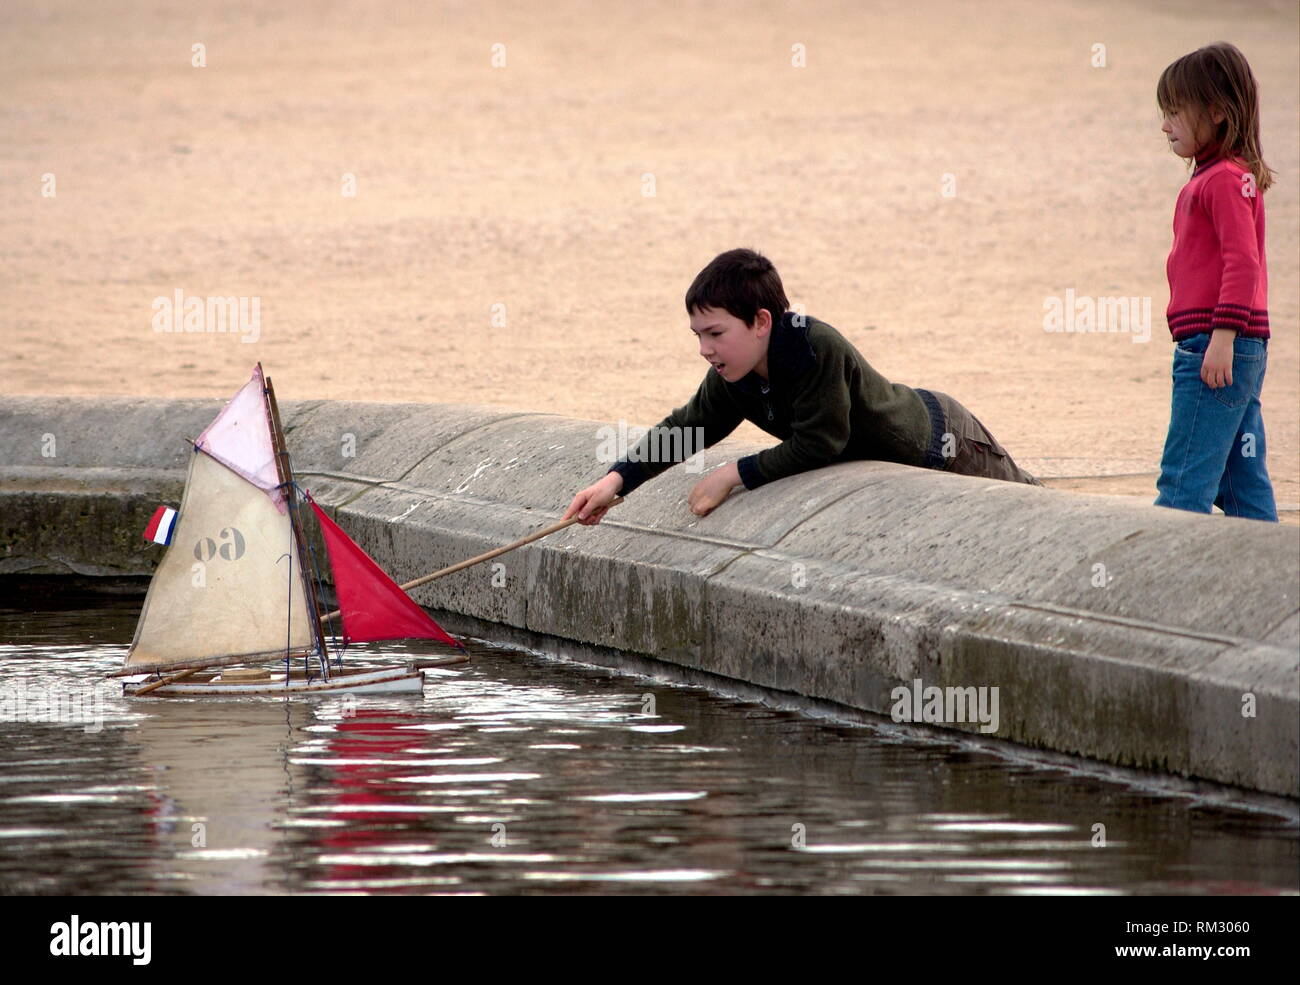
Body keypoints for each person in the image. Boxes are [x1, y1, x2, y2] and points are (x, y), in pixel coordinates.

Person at [563, 248, 1041, 525]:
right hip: (899, 457)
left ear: (760, 322)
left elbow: (821, 442)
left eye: (715, 334)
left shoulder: (815, 347)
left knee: (1032, 507)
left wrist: (733, 474)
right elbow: (687, 427)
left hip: (942, 440)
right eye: (698, 336)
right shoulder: (733, 376)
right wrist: (615, 480)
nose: (705, 350)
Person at [1154, 42, 1277, 521]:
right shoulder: (1226, 176)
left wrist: (1222, 339)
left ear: (1217, 113)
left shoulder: (1222, 179)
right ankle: (1276, 578)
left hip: (1217, 342)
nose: (1164, 126)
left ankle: (1160, 581)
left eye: (1174, 112)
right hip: (1237, 345)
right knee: (1240, 480)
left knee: (1183, 481)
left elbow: (1242, 262)